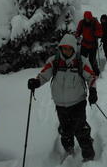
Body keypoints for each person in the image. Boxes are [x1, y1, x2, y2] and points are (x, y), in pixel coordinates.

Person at [27, 34, 97, 162]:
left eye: (69, 48)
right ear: (60, 48)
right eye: (64, 48)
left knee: (81, 130)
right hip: (60, 104)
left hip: (78, 102)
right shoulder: (54, 61)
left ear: (73, 49)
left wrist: (93, 90)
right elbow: (44, 75)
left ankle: (88, 156)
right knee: (65, 130)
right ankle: (69, 149)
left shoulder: (81, 61)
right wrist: (36, 82)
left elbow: (91, 77)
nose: (66, 51)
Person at [75, 11, 103, 76]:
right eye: (86, 18)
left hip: (93, 45)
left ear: (91, 17)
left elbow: (100, 31)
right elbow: (78, 30)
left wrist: (97, 34)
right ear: (84, 17)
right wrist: (76, 34)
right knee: (82, 59)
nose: (87, 19)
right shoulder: (81, 23)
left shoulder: (95, 22)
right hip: (84, 44)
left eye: (89, 18)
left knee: (92, 60)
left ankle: (96, 73)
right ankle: (82, 72)